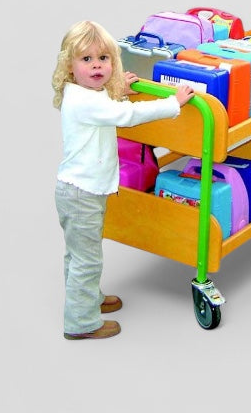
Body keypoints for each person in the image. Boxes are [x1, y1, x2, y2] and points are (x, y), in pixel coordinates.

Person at [52, 20, 194, 340]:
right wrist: (172, 104)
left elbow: (106, 105)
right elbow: (126, 116)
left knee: (79, 254)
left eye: (103, 58)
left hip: (79, 191)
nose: (97, 65)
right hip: (82, 194)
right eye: (86, 59)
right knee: (86, 259)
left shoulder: (84, 93)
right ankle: (81, 322)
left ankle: (87, 299)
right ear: (70, 66)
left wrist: (118, 91)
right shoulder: (87, 101)